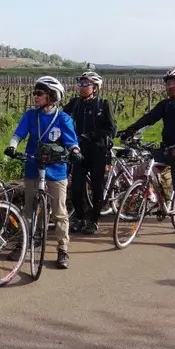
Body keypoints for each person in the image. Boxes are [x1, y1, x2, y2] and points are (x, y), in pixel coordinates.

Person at [119, 66, 175, 251]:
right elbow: (149, 118)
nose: (171, 86)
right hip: (167, 149)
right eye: (169, 83)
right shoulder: (166, 105)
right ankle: (151, 195)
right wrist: (131, 129)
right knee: (142, 167)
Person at [5, 76, 82, 269]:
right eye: (35, 93)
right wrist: (12, 146)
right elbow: (19, 134)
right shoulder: (31, 115)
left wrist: (75, 152)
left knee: (59, 212)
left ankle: (63, 249)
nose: (35, 96)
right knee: (28, 210)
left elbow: (72, 141)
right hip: (33, 165)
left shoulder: (63, 118)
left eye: (39, 93)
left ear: (52, 96)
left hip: (56, 169)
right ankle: (24, 243)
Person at [63, 71, 117, 234]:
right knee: (76, 187)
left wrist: (91, 136)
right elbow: (61, 119)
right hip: (78, 151)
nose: (81, 87)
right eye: (80, 83)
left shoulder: (103, 104)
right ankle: (79, 217)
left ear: (95, 87)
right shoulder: (74, 103)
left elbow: (111, 129)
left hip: (98, 151)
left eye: (86, 84)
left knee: (97, 186)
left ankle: (93, 220)